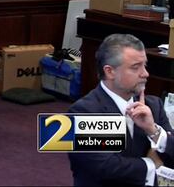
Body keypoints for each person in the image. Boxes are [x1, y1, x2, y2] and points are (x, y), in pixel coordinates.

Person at [68, 33, 174, 186]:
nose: (145, 73)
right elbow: (106, 167)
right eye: (135, 67)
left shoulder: (154, 106)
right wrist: (152, 164)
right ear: (110, 71)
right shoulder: (84, 112)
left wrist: (154, 131)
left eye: (145, 65)